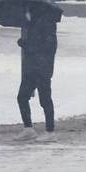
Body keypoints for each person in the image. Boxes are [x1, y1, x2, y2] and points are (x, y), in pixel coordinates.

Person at [14, 8, 58, 142]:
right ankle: (28, 129)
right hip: (31, 68)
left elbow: (46, 48)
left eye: (28, 10)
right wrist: (26, 44)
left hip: (42, 69)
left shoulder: (47, 25)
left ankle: (50, 131)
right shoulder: (33, 24)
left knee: (45, 100)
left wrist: (26, 45)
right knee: (22, 97)